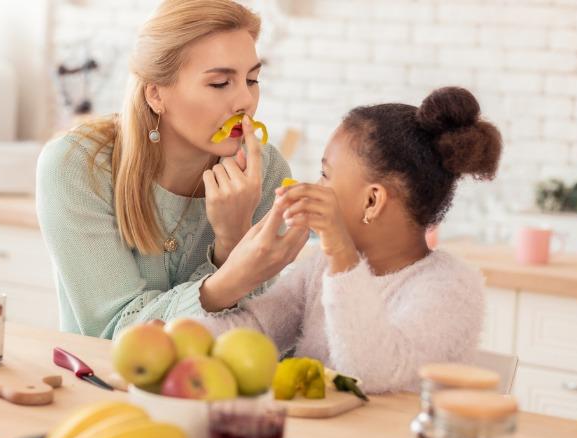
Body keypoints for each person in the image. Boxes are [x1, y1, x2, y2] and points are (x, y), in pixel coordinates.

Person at [201, 86, 503, 394]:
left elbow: (372, 374)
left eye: (325, 174)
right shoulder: (320, 268)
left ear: (372, 201)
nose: (314, 185)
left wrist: (341, 252)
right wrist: (182, 334)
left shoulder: (451, 288)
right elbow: (257, 327)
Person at [36, 0, 308, 339]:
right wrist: (231, 266)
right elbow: (115, 332)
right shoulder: (78, 166)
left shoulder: (264, 173)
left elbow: (254, 333)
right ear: (156, 94)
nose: (245, 102)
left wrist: (234, 237)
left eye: (252, 79)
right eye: (220, 83)